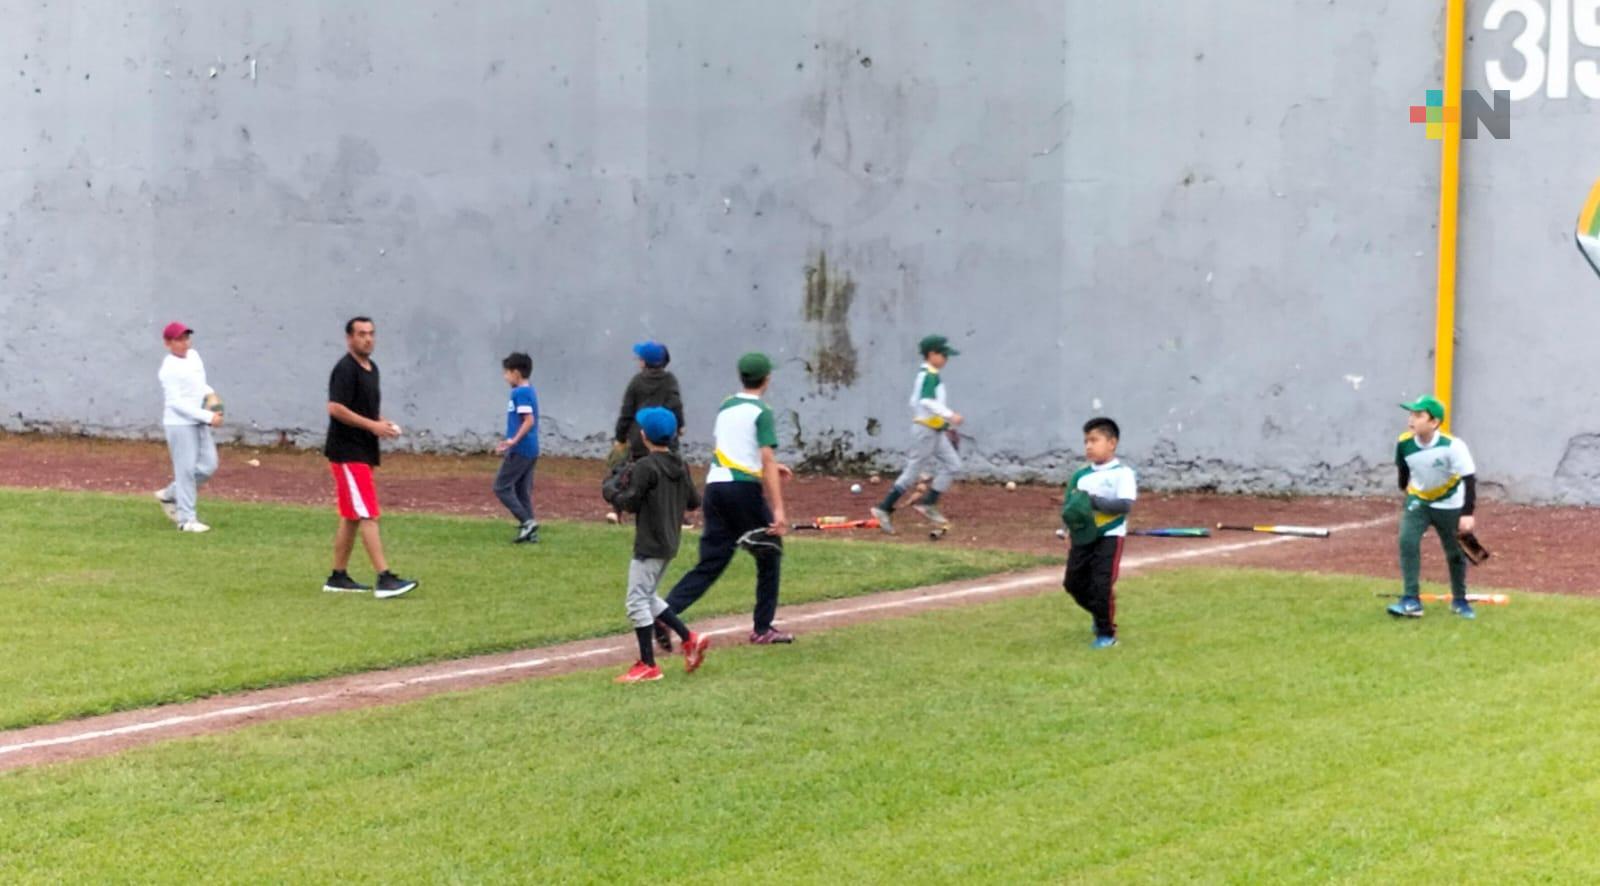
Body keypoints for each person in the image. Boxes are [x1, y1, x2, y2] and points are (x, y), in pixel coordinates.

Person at [662, 352, 795, 644]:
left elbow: (734, 449)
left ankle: (666, 613)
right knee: (770, 552)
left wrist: (765, 468)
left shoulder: (726, 405)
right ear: (767, 379)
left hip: (716, 487)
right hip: (742, 490)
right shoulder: (762, 411)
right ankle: (763, 628)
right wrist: (779, 511)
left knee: (712, 562)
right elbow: (766, 457)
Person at [610, 407, 711, 682]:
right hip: (669, 541)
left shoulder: (646, 466)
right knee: (649, 596)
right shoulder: (679, 464)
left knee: (635, 602)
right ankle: (689, 638)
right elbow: (693, 501)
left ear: (644, 436)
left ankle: (648, 664)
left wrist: (612, 491)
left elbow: (630, 502)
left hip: (650, 542)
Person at [320, 316, 418, 599]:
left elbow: (364, 409)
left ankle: (338, 576)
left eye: (371, 333)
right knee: (368, 513)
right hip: (347, 452)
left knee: (351, 516)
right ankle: (385, 578)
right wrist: (372, 426)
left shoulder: (371, 369)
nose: (368, 339)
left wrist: (381, 423)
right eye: (361, 334)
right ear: (349, 338)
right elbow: (335, 408)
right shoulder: (345, 369)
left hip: (363, 451)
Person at [1387, 396, 1480, 619]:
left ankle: (1460, 600)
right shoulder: (1404, 443)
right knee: (1407, 541)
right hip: (1419, 501)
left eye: (1419, 416)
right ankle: (1411, 600)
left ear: (1434, 422)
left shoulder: (1453, 446)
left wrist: (1467, 513)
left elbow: (1469, 479)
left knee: (1456, 552)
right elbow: (1403, 469)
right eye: (1411, 415)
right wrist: (1405, 490)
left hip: (1450, 504)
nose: (1412, 420)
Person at [871, 334, 963, 534]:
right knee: (913, 470)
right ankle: (883, 507)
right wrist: (950, 415)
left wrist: (942, 424)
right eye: (943, 355)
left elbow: (915, 402)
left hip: (933, 430)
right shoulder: (928, 375)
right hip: (925, 432)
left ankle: (928, 503)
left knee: (953, 465)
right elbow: (926, 401)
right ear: (932, 355)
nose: (946, 359)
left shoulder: (930, 375)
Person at [1060, 417, 1137, 649]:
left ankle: (1106, 634)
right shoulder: (1080, 476)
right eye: (1086, 441)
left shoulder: (1122, 473)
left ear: (1112, 443)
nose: (1089, 446)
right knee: (1073, 583)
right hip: (1083, 537)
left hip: (1109, 535)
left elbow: (1124, 506)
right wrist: (1066, 528)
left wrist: (1093, 502)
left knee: (1101, 585)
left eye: (1094, 440)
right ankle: (1099, 611)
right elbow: (1070, 507)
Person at [153, 321, 222, 533]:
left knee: (209, 465)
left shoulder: (194, 356)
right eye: (179, 340)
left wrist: (211, 396)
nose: (184, 343)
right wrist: (207, 416)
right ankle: (186, 520)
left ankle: (170, 494)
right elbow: (176, 403)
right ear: (168, 343)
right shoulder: (169, 369)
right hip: (179, 424)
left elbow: (200, 384)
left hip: (199, 420)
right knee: (185, 471)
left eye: (186, 338)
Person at [606, 341, 684, 524]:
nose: (638, 360)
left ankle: (617, 512)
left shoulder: (637, 382)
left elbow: (626, 412)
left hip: (641, 437)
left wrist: (620, 437)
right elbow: (675, 405)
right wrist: (679, 426)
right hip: (666, 436)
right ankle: (679, 516)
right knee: (672, 472)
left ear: (645, 362)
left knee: (625, 471)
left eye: (640, 358)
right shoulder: (670, 380)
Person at [494, 352, 540, 544]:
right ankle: (531, 532)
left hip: (521, 449)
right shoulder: (529, 391)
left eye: (507, 373)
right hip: (530, 448)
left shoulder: (520, 393)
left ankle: (527, 522)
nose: (505, 377)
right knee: (521, 491)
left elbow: (528, 420)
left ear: (516, 373)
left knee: (501, 487)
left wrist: (513, 441)